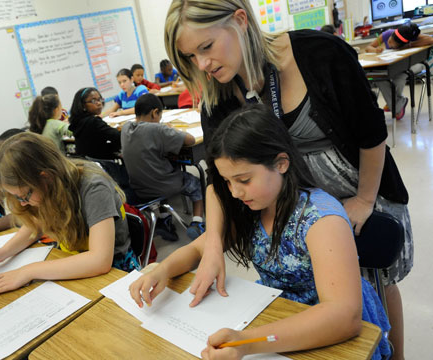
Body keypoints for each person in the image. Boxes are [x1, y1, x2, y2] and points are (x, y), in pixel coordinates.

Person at [164, 1, 412, 358]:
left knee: (374, 282)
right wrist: (214, 244)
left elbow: (372, 135)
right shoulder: (217, 95)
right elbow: (220, 181)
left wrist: (363, 200)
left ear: (240, 20)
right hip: (289, 198)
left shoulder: (319, 54)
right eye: (190, 57)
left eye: (206, 47)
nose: (202, 65)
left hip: (358, 187)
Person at [129, 105, 391, 360]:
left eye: (244, 180)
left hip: (326, 327)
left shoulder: (321, 219)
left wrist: (246, 343)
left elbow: (343, 316)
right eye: (228, 181)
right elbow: (200, 248)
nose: (234, 192)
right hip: (277, 313)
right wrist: (161, 271)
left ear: (281, 164)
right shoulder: (252, 208)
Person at [0, 132, 139, 294]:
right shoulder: (47, 188)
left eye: (25, 196)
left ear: (46, 177)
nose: (23, 204)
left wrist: (28, 271)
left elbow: (99, 260)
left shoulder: (93, 187)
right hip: (72, 259)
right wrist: (2, 253)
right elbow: (36, 224)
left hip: (115, 272)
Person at [121, 93, 205, 240]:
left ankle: (164, 219)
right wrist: (170, 129)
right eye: (159, 116)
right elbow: (190, 140)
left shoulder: (126, 128)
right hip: (164, 185)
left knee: (158, 171)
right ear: (155, 112)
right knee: (196, 183)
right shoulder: (158, 130)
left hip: (139, 188)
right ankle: (197, 223)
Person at [365, 23, 433, 120]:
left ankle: (393, 103)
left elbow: (431, 39)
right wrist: (375, 50)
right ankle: (398, 104)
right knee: (379, 77)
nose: (389, 44)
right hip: (394, 64)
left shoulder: (410, 35)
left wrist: (409, 45)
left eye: (393, 46)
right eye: (390, 41)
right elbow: (368, 48)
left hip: (415, 63)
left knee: (400, 75)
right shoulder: (388, 33)